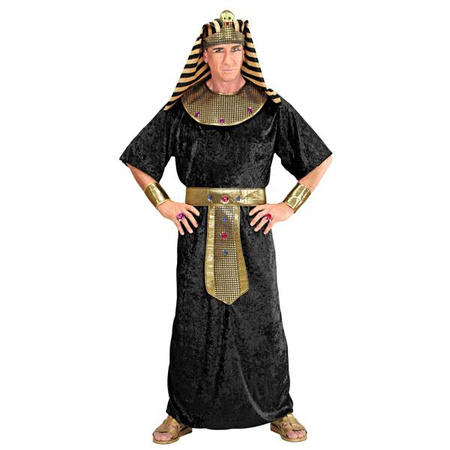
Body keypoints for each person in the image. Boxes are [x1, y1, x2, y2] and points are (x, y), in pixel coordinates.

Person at [119, 10, 333, 444]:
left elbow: (318, 159)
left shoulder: (271, 109)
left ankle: (278, 408)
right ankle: (181, 411)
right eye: (219, 50)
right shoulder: (182, 109)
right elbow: (139, 158)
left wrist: (288, 206)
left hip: (252, 231)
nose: (229, 58)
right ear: (205, 56)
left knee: (261, 318)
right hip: (197, 230)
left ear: (245, 52)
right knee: (194, 318)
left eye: (235, 49)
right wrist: (163, 202)